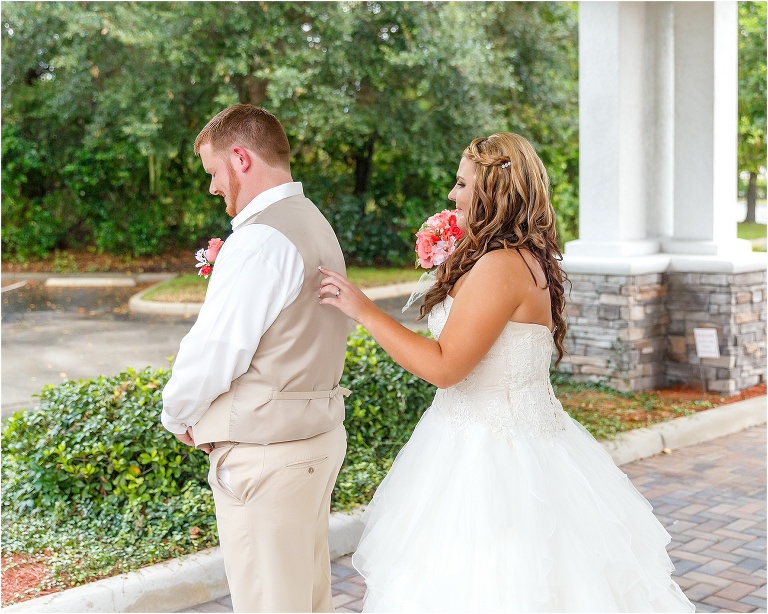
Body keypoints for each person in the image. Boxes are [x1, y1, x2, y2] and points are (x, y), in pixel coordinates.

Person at [319, 132, 694, 612]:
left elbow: (444, 366)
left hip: (494, 461)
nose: (452, 195)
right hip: (498, 439)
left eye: (461, 183)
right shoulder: (520, 258)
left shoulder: (501, 266)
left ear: (494, 192)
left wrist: (364, 311)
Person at [161, 104, 350, 613]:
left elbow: (214, 352)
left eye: (213, 172)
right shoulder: (316, 225)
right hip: (316, 440)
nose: (212, 187)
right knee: (306, 601)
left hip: (267, 457)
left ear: (240, 158)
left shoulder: (261, 239)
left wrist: (177, 415)